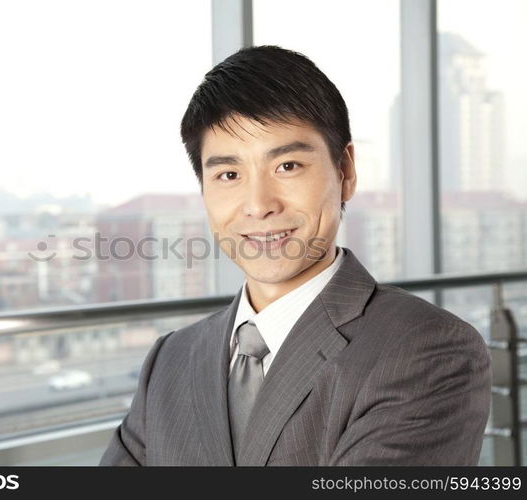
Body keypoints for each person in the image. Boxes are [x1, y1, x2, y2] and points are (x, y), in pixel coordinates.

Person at [99, 45, 491, 466]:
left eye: (287, 166)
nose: (258, 204)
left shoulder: (427, 350)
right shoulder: (171, 360)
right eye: (229, 175)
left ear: (346, 171)